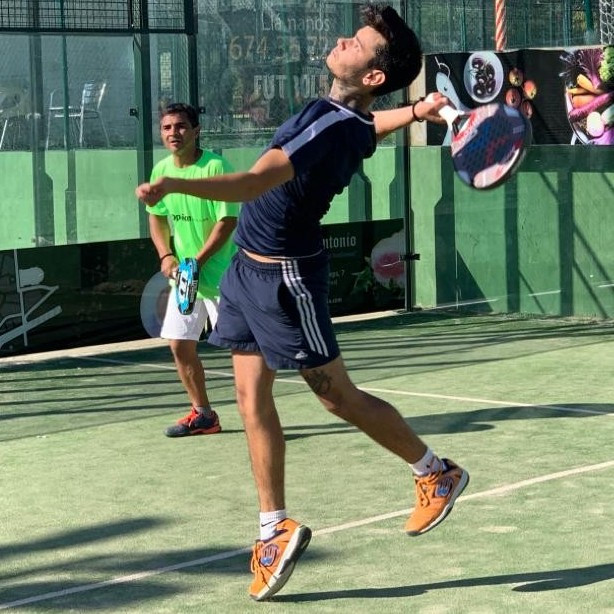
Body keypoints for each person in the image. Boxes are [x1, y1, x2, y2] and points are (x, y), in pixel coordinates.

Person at [137, 5, 469, 601]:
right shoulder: (346, 118)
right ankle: (273, 529)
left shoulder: (326, 122)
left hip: (285, 277)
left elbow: (251, 184)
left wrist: (174, 184)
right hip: (245, 271)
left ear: (372, 74)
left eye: (357, 43)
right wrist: (417, 110)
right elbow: (369, 127)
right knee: (248, 397)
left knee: (334, 395)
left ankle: (434, 472)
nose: (342, 41)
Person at [148, 102, 240, 437]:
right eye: (167, 127)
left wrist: (197, 261)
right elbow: (157, 216)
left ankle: (258, 417)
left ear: (196, 131)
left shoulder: (216, 167)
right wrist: (165, 255)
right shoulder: (161, 171)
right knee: (179, 345)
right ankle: (204, 415)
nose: (173, 133)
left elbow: (227, 221)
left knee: (243, 352)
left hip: (225, 279)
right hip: (186, 280)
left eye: (181, 126)